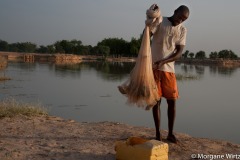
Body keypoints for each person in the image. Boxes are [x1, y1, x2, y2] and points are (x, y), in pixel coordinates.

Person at [149, 5, 190, 143]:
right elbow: (147, 34)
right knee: (156, 102)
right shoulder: (160, 21)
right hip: (153, 67)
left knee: (172, 101)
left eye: (184, 19)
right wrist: (150, 18)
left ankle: (171, 134)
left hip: (168, 70)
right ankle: (157, 133)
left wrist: (164, 61)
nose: (181, 21)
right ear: (175, 12)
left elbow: (178, 53)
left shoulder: (183, 30)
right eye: (180, 17)